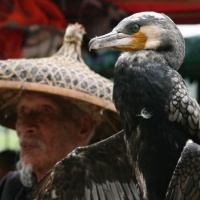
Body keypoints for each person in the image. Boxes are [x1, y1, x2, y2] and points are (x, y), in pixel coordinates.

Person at [0, 23, 121, 199]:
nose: (25, 126)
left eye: (45, 111)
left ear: (83, 128)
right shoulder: (12, 188)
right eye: (23, 111)